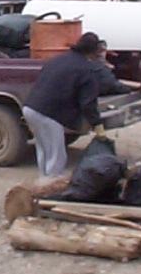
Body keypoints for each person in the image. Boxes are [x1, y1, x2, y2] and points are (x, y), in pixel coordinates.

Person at [23, 31, 106, 178]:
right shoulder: (86, 69)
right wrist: (97, 125)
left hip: (30, 108)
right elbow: (88, 102)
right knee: (56, 155)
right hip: (49, 114)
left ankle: (42, 182)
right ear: (93, 51)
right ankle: (51, 187)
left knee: (44, 149)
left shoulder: (59, 59)